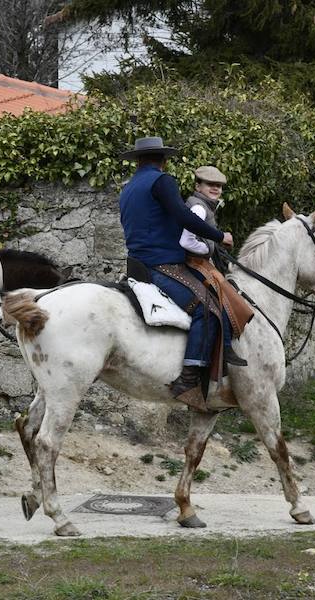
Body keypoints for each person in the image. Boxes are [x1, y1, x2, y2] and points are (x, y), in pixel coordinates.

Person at [118, 137, 244, 412]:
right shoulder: (162, 181)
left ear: (138, 160)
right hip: (162, 264)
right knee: (208, 309)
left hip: (137, 263)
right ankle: (188, 381)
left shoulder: (127, 189)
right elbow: (183, 217)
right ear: (163, 159)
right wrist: (219, 236)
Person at [179, 166, 253, 366]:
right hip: (195, 262)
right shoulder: (199, 208)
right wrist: (209, 248)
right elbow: (186, 241)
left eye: (219, 186)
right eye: (210, 185)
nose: (215, 189)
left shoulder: (204, 206)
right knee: (222, 296)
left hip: (200, 261)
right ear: (198, 186)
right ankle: (225, 348)